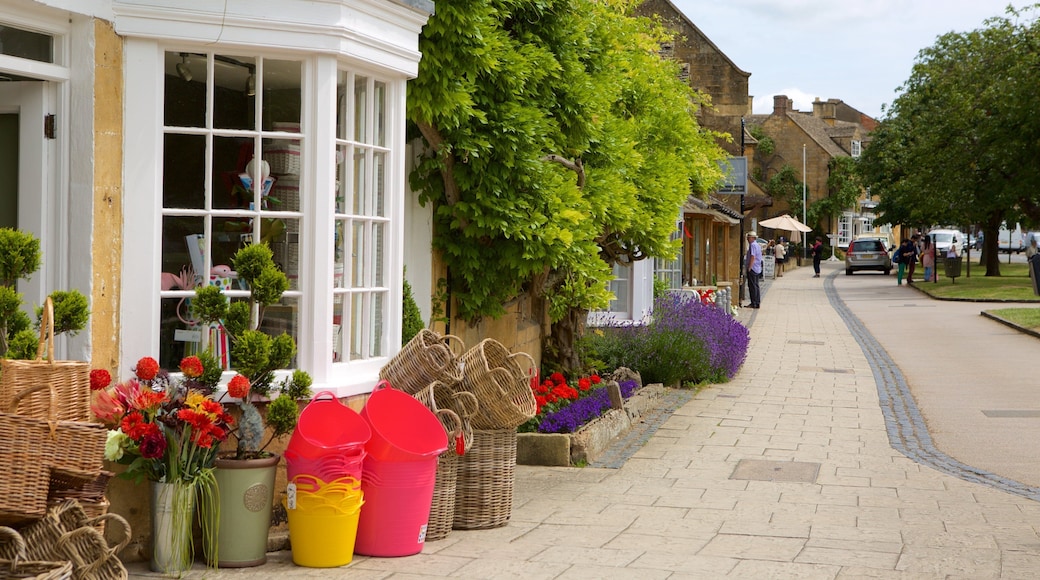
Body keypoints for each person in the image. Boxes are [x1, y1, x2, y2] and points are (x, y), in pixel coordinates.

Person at [745, 231, 762, 308]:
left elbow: (753, 256)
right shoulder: (757, 245)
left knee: (752, 286)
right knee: (756, 285)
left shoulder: (753, 245)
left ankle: (754, 302)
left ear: (752, 238)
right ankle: (757, 302)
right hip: (757, 267)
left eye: (748, 237)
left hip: (753, 268)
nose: (747, 239)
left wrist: (749, 267)